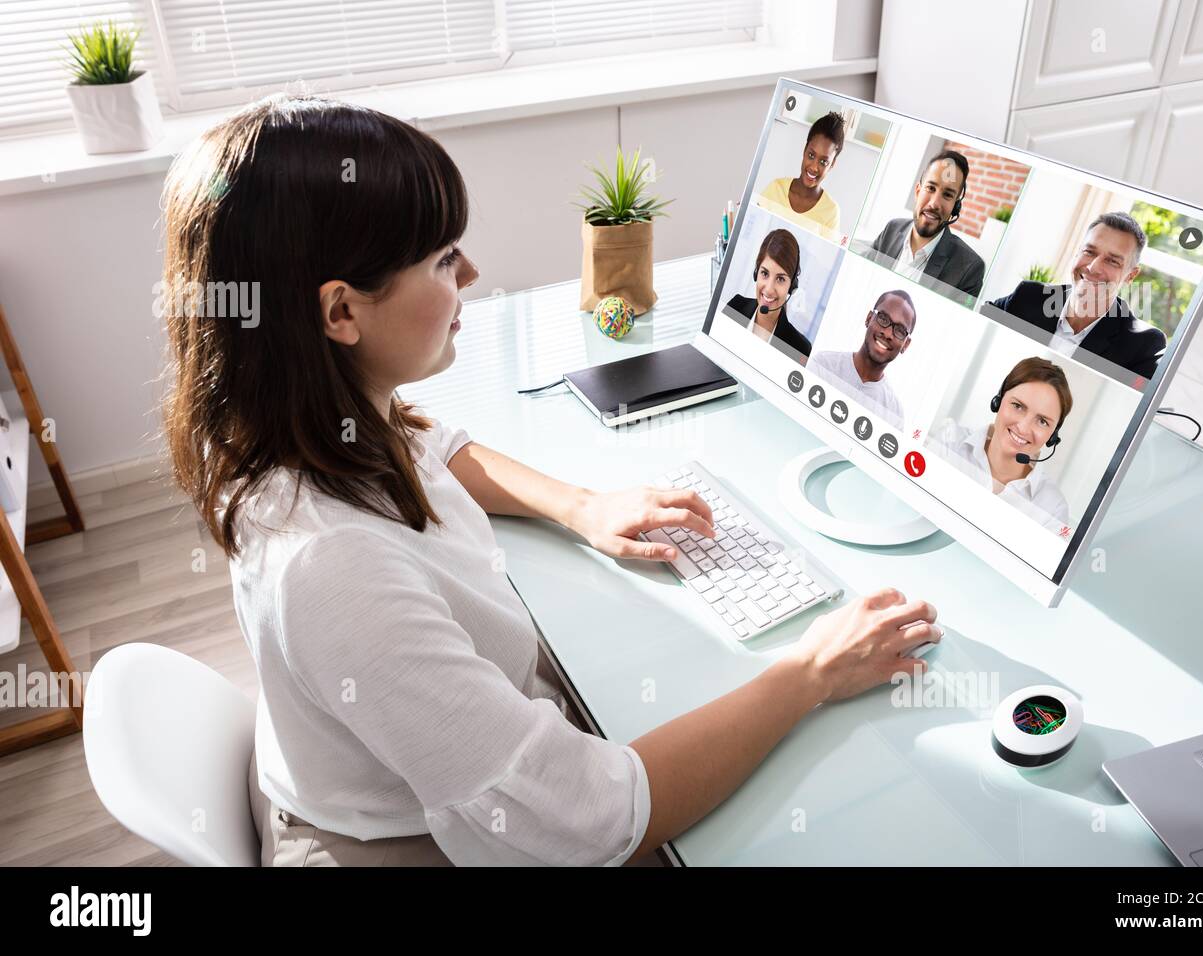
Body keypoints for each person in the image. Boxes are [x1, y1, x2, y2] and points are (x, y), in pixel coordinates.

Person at [159, 94, 940, 867]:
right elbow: (595, 818)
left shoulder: (307, 423)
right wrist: (809, 673)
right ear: (340, 313)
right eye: (440, 260)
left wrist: (582, 505)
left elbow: (440, 446)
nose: (471, 269)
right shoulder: (333, 569)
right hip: (399, 841)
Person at [986, 212, 1165, 380]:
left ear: (1130, 275)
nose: (1093, 267)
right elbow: (974, 324)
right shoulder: (1028, 296)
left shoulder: (1142, 345)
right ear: (1078, 252)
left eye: (1112, 261)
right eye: (1090, 252)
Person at [930, 357, 1072, 530]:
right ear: (998, 401)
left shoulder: (1052, 508)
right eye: (1018, 406)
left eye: (1042, 421)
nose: (1023, 428)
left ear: (1052, 436)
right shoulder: (948, 442)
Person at [869, 149, 986, 303]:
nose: (934, 204)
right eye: (931, 188)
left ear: (955, 207)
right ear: (918, 191)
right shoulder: (892, 229)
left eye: (948, 195)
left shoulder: (969, 269)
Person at [808, 289, 915, 428]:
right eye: (883, 318)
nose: (888, 333)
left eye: (900, 330)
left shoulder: (894, 414)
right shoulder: (823, 365)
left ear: (905, 345)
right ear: (869, 318)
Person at [726, 228, 813, 363]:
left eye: (780, 279)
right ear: (756, 273)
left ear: (791, 287)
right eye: (765, 273)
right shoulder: (736, 307)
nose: (769, 289)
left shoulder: (800, 348)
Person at [756, 111, 846, 240]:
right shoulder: (776, 188)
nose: (814, 167)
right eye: (811, 155)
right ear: (805, 150)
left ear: (832, 164)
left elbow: (823, 258)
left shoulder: (831, 212)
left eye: (823, 162)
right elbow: (752, 233)